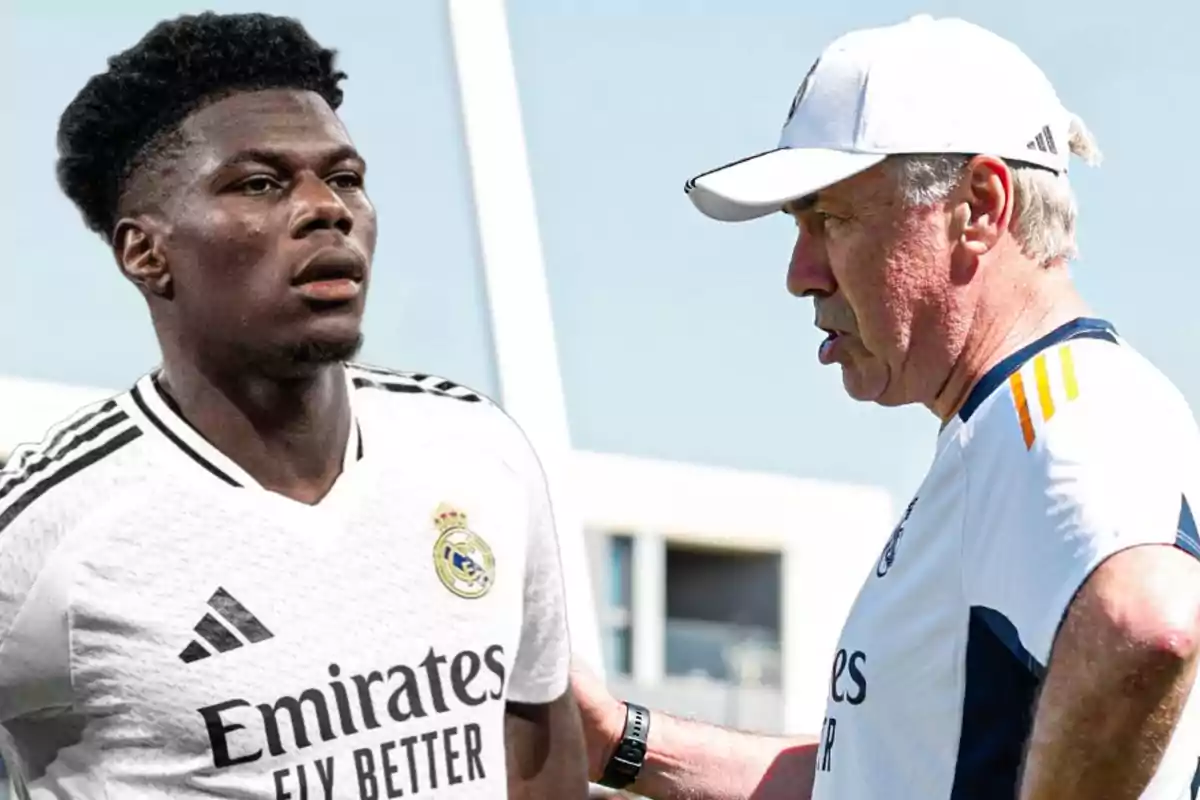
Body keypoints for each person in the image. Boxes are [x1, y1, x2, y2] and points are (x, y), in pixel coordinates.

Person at [577, 14, 1200, 800]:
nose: (801, 273)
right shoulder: (1014, 420)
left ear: (978, 207)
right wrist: (618, 742)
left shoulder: (1063, 404)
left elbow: (1146, 625)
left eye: (830, 219)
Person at [0, 12, 587, 799]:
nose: (327, 208)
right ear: (146, 252)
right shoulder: (51, 525)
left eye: (345, 178)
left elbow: (534, 745)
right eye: (261, 184)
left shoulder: (478, 452)